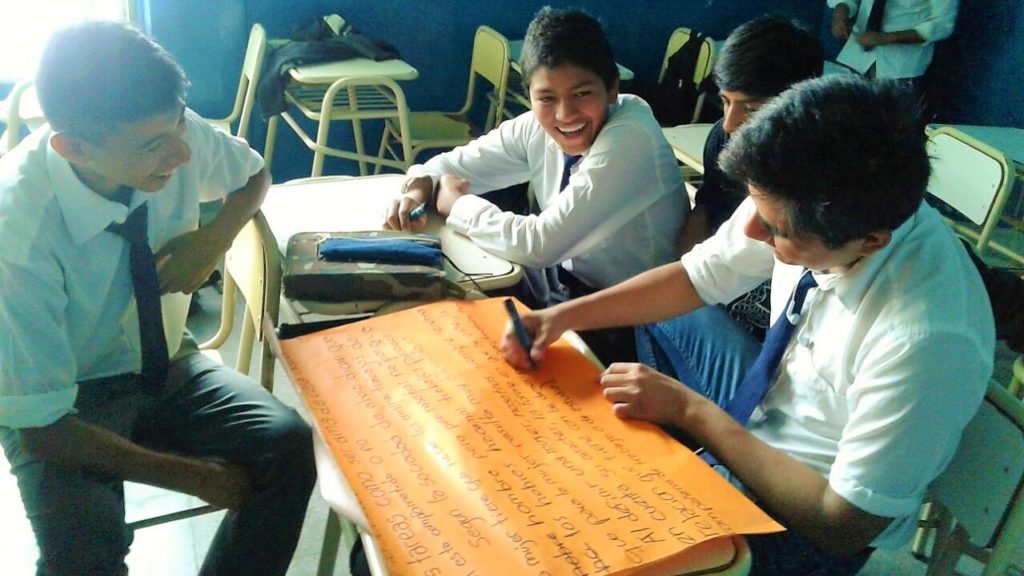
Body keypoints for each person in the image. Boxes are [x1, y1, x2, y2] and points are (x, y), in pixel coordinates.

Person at [501, 75, 994, 575]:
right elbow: (698, 275)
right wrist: (559, 318)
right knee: (667, 310)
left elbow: (841, 524)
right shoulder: (811, 193)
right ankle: (688, 460)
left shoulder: (926, 339)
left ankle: (692, 472)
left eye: (777, 229)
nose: (752, 231)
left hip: (802, 508)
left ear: (869, 242)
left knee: (595, 541)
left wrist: (691, 412)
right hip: (769, 400)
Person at [0, 21, 316, 576]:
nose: (180, 155)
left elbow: (253, 174)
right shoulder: (16, 233)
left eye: (177, 128)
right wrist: (195, 476)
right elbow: (44, 429)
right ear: (74, 148)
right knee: (82, 545)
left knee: (287, 447)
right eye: (152, 146)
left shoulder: (168, 130)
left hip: (164, 361)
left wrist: (215, 238)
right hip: (63, 399)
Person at [383, 7, 686, 364]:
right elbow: (446, 166)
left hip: (628, 321)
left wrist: (457, 205)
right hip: (560, 286)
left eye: (582, 93)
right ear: (530, 95)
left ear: (613, 90)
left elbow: (541, 244)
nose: (564, 114)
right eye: (546, 98)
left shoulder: (630, 136)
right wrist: (419, 185)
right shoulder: (534, 126)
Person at [637, 16, 823, 415]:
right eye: (724, 100)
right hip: (731, 294)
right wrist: (682, 270)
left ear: (800, 103)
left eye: (751, 108)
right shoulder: (725, 139)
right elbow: (707, 208)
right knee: (656, 299)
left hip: (781, 347)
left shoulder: (822, 183)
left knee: (658, 310)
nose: (730, 123)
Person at [828, 0, 957, 93]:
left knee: (893, 126)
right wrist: (840, 14)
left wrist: (885, 38)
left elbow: (942, 25)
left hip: (901, 69)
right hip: (857, 58)